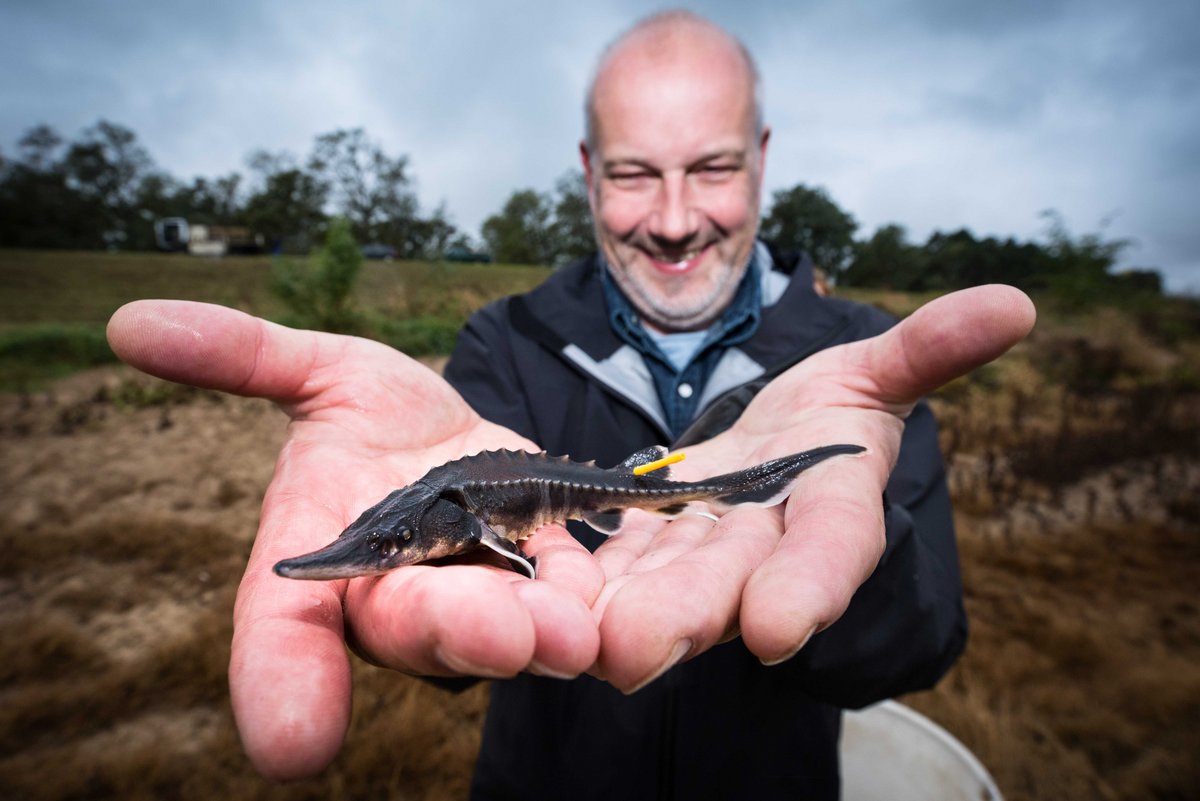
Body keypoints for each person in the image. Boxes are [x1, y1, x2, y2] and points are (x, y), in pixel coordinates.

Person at [106, 10, 1035, 800]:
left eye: (710, 167)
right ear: (588, 170)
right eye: (634, 174)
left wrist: (838, 554)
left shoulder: (862, 363)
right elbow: (453, 618)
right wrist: (420, 604)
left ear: (761, 160)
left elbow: (926, 643)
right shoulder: (502, 342)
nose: (673, 218)